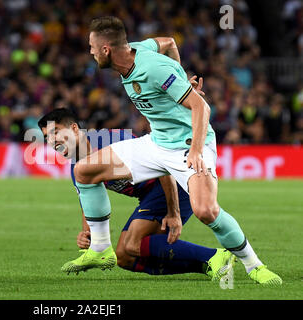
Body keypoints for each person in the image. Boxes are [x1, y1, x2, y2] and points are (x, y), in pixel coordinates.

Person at [70, 16, 281, 285]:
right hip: (156, 143)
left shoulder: (152, 68)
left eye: (91, 47)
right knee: (84, 170)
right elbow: (168, 42)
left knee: (206, 211)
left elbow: (202, 108)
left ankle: (254, 265)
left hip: (188, 145)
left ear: (106, 50)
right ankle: (100, 250)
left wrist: (195, 149)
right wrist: (180, 79)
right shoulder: (138, 49)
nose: (90, 52)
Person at [38, 108, 236, 280]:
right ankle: (206, 264)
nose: (52, 141)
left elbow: (162, 165)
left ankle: (214, 256)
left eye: (56, 133)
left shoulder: (113, 140)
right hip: (150, 196)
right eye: (47, 138)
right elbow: (89, 206)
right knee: (124, 257)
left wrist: (172, 211)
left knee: (134, 243)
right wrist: (87, 235)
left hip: (176, 185)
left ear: (74, 129)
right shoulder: (78, 171)